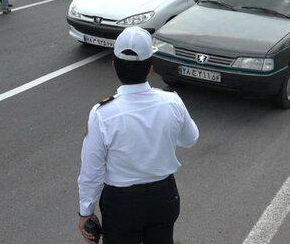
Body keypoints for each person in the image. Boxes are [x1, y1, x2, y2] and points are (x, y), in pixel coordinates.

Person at [77, 27, 199, 244]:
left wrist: (86, 211)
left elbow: (92, 169)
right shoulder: (172, 102)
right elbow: (190, 139)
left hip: (121, 203)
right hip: (164, 196)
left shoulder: (102, 113)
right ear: (150, 68)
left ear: (114, 65)